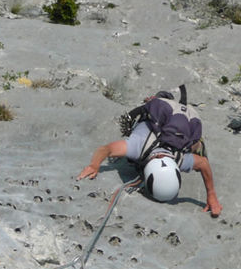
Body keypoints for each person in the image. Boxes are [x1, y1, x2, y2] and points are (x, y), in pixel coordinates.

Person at [77, 86, 222, 217]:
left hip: (181, 118)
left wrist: (211, 194)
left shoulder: (177, 159)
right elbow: (105, 150)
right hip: (174, 113)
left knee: (187, 141)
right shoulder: (138, 147)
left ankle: (164, 101)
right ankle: (161, 100)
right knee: (161, 106)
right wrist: (94, 165)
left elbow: (203, 163)